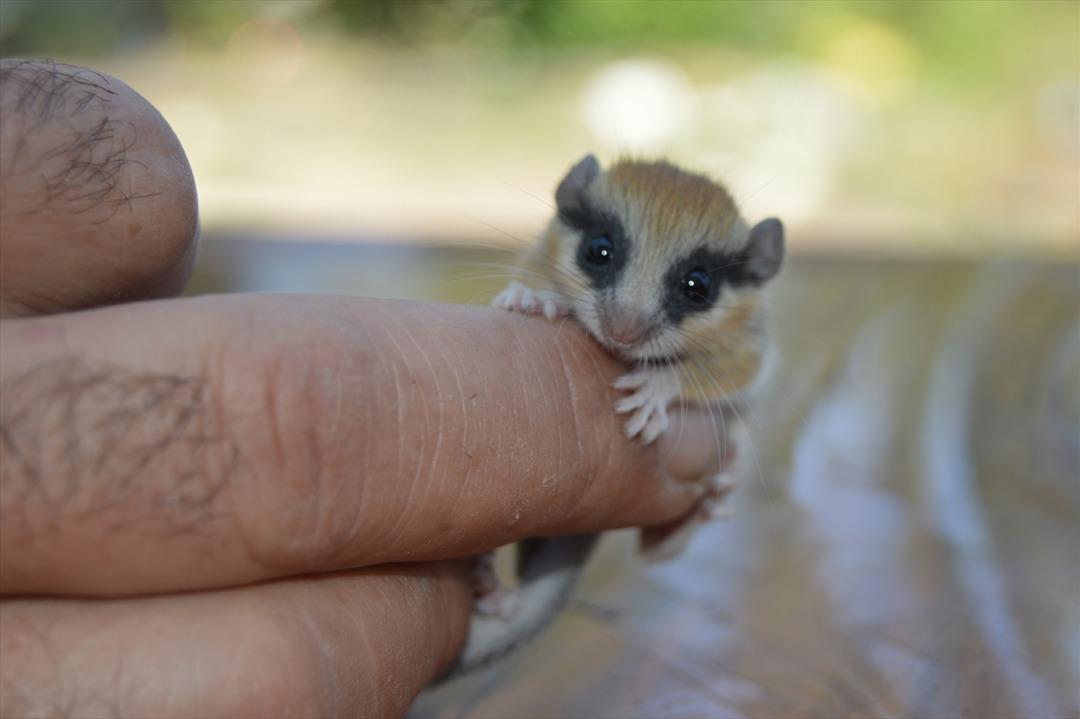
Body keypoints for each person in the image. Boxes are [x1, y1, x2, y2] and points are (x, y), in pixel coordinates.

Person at [0, 59, 725, 717]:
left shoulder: (722, 340)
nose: (627, 322)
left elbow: (735, 379)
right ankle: (485, 577)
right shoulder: (549, 265)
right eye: (602, 257)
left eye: (689, 290)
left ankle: (495, 579)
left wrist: (676, 397)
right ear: (571, 211)